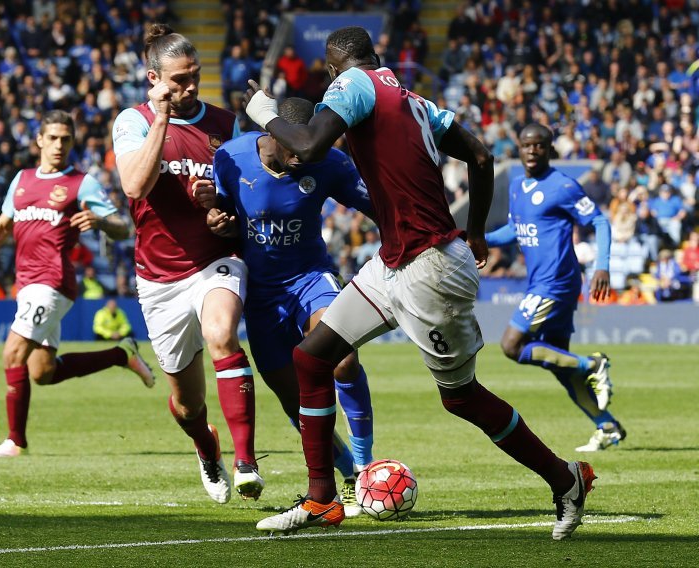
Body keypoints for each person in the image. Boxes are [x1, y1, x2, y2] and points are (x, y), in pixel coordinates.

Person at [243, 26, 594, 540]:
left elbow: (312, 146)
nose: (330, 82)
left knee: (461, 398)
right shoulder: (415, 101)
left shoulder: (353, 83)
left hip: (428, 267)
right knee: (311, 356)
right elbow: (479, 154)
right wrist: (473, 234)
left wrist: (262, 111)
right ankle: (321, 499)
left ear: (337, 67)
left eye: (330, 72)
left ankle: (566, 479)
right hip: (396, 261)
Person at [198, 97, 376, 514]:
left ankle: (366, 467)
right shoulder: (231, 156)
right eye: (294, 146)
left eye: (308, 146)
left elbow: (375, 205)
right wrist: (215, 220)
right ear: (271, 135)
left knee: (343, 359)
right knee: (293, 397)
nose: (303, 154)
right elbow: (220, 216)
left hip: (312, 276)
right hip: (261, 293)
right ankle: (346, 472)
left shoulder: (326, 161)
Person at [112, 24, 258, 504]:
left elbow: (247, 203)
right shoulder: (131, 122)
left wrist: (222, 206)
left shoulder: (226, 123)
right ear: (154, 78)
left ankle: (246, 461)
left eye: (194, 76)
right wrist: (160, 117)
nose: (190, 87)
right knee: (187, 404)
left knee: (221, 335)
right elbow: (134, 186)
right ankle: (207, 445)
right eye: (178, 80)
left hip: (215, 260)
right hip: (158, 277)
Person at [0, 110, 155, 459]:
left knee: (12, 353)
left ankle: (15, 441)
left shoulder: (82, 183)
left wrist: (99, 221)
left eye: (66, 139)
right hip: (27, 283)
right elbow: (4, 225)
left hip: (52, 282)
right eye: (53, 138)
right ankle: (120, 354)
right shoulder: (21, 179)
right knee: (42, 372)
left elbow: (123, 227)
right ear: (39, 140)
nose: (59, 145)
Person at [484, 123, 627, 453]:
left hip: (556, 282)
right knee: (559, 364)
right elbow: (515, 230)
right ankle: (606, 426)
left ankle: (593, 365)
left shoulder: (562, 186)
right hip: (543, 281)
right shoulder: (518, 186)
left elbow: (600, 221)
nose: (532, 151)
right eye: (526, 145)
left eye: (539, 146)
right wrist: (481, 239)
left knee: (511, 345)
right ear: (518, 148)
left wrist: (602, 265)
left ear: (550, 150)